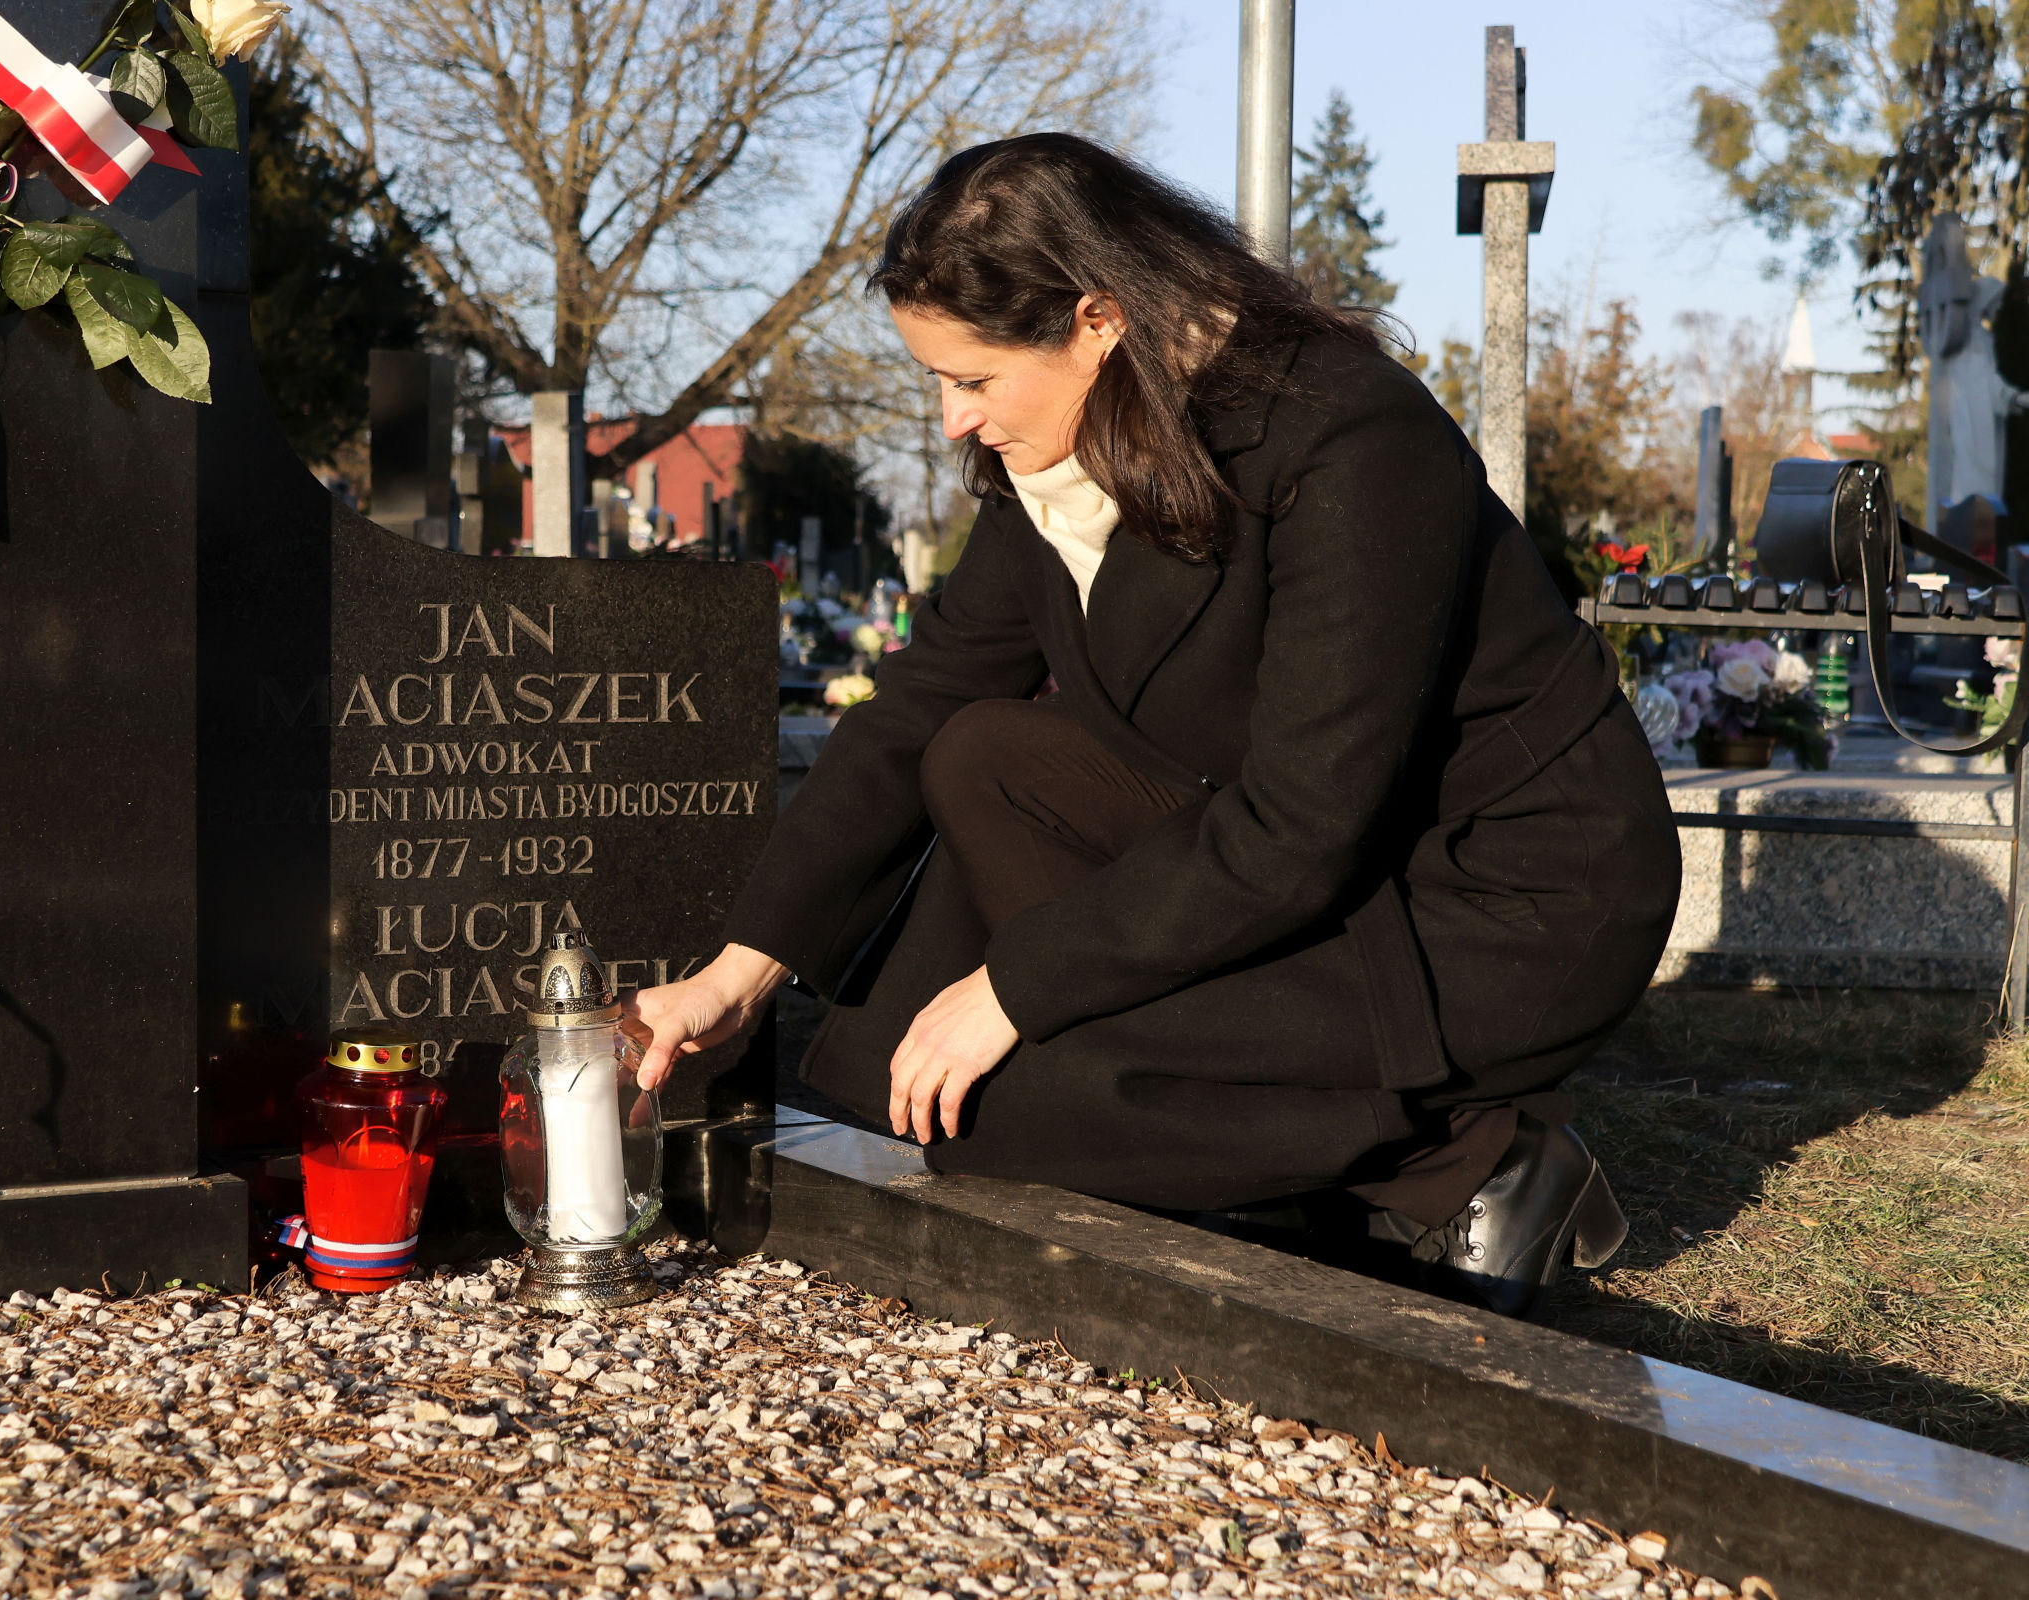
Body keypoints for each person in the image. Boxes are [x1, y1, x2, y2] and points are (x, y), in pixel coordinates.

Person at [626, 133, 1681, 1316]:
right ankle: (1361, 1148)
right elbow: (922, 707)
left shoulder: (1348, 435)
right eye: (936, 380)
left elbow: (1306, 819)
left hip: (1498, 896)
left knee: (994, 1103)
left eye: (972, 379)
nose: (950, 421)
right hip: (1311, 862)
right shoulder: (1057, 460)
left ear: (1096, 318)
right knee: (973, 774)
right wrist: (738, 973)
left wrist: (1012, 988)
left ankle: (1470, 1166)